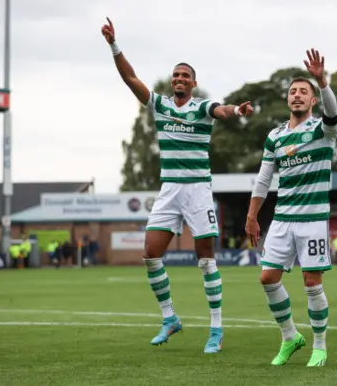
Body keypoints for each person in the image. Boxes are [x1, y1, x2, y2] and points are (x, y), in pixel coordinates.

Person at [101, 18, 254, 353]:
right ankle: (170, 318)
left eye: (185, 75)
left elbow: (222, 110)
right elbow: (130, 78)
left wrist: (237, 111)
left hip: (198, 190)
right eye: (176, 75)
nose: (179, 79)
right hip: (169, 189)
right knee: (151, 255)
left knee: (205, 259)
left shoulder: (201, 107)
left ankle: (216, 329)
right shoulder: (160, 105)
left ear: (194, 83)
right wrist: (114, 45)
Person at [245, 48, 337, 367]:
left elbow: (333, 110)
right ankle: (290, 337)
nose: (297, 95)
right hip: (282, 219)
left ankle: (320, 346)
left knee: (312, 284)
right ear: (288, 99)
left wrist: (322, 81)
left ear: (313, 101)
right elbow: (263, 178)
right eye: (293, 91)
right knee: (267, 278)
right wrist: (251, 216)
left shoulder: (323, 131)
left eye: (304, 92)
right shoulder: (275, 136)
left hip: (312, 220)